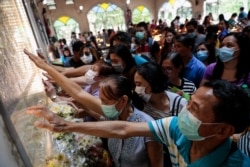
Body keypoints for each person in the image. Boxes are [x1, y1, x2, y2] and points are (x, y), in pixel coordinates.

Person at [27, 80, 250, 166]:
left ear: (223, 129)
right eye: (189, 104)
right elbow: (123, 129)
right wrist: (66, 124)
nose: (185, 111)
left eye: (195, 109)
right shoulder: (176, 129)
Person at [23, 49, 163, 167]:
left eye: (105, 101)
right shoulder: (113, 113)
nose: (101, 104)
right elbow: (78, 93)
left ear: (123, 100)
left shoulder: (147, 127)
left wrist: (66, 125)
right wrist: (46, 67)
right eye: (101, 100)